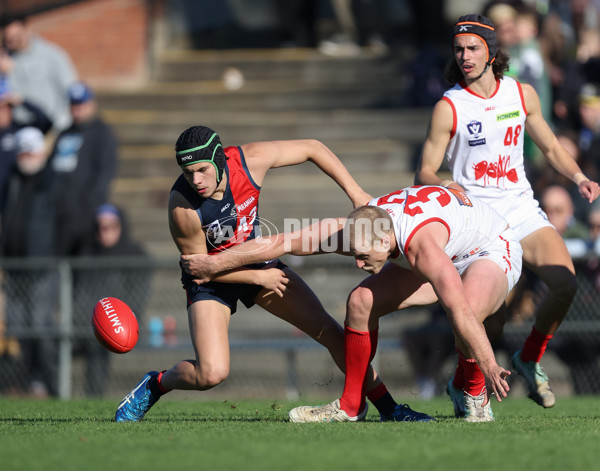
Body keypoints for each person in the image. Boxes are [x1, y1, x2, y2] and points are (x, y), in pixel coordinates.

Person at [114, 125, 432, 423]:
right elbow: (199, 271)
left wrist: (355, 192)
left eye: (202, 170)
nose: (196, 180)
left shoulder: (251, 161)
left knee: (336, 337)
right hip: (214, 282)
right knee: (211, 373)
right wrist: (256, 279)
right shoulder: (182, 207)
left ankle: (390, 409)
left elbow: (312, 147)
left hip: (256, 262)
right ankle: (156, 383)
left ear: (219, 159)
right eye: (188, 173)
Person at [180, 184, 523, 422]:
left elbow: (461, 311)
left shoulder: (422, 248)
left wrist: (490, 365)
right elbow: (280, 241)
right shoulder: (357, 229)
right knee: (360, 300)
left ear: (386, 239)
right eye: (355, 254)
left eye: (363, 256)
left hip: (491, 247)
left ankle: (474, 391)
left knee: (467, 306)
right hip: (446, 245)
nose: (358, 263)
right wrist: (215, 264)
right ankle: (350, 405)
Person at [413, 13, 600, 410]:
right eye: (459, 49)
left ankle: (529, 358)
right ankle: (465, 383)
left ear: (491, 51)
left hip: (520, 210)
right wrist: (442, 181)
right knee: (485, 317)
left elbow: (550, 147)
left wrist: (580, 175)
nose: (464, 56)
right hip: (478, 221)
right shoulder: (450, 106)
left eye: (473, 48)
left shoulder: (521, 94)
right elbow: (424, 171)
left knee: (565, 282)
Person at [0, 127, 62, 397]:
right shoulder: (13, 178)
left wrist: (53, 252)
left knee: (40, 325)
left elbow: (67, 220)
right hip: (16, 268)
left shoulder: (52, 180)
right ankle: (30, 382)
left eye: (30, 151)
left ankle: (53, 384)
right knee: (18, 325)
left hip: (42, 267)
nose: (25, 157)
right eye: (22, 151)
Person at [73, 204, 151, 397]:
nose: (104, 231)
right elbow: (78, 294)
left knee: (98, 345)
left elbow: (137, 299)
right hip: (82, 323)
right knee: (48, 342)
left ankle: (94, 397)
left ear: (120, 227)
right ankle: (50, 393)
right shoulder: (85, 253)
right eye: (100, 227)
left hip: (116, 326)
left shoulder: (134, 255)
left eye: (110, 226)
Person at [49, 81, 118, 257]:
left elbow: (104, 173)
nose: (77, 110)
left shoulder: (102, 133)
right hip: (58, 215)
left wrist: (90, 208)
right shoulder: (64, 133)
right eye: (73, 105)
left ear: (92, 104)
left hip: (85, 216)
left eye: (81, 104)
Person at [0, 14, 77, 132]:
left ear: (27, 30)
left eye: (17, 36)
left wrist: (61, 124)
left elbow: (69, 88)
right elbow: (10, 97)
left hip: (50, 126)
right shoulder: (5, 60)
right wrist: (5, 74)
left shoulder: (52, 55)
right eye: (9, 39)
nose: (13, 41)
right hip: (19, 128)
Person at [0, 78, 52, 212]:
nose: (1, 112)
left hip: (14, 202)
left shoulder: (21, 130)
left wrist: (21, 101)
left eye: (5, 107)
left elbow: (46, 122)